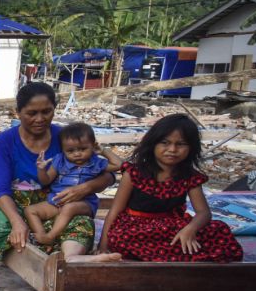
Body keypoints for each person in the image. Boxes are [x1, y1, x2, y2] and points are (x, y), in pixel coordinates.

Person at [0, 82, 117, 291]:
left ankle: (69, 262)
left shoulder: (66, 138)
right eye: (32, 113)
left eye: (46, 111)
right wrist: (17, 221)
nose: (40, 119)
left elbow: (107, 175)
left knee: (81, 224)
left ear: (54, 108)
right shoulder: (6, 141)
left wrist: (85, 187)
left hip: (57, 201)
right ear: (18, 112)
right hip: (16, 200)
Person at [98, 113, 243, 263]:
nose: (172, 149)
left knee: (219, 231)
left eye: (180, 144)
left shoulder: (190, 176)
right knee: (121, 237)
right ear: (153, 144)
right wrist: (103, 246)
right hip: (136, 230)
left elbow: (204, 213)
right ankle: (174, 256)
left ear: (191, 148)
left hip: (173, 229)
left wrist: (190, 229)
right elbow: (115, 211)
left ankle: (165, 256)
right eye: (165, 143)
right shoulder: (134, 173)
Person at [24, 122, 121, 245]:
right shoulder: (59, 160)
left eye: (82, 149)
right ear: (63, 150)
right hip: (57, 202)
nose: (77, 154)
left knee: (69, 208)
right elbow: (46, 180)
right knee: (30, 210)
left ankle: (51, 236)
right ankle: (42, 237)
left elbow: (119, 165)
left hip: (83, 204)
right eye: (70, 150)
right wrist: (41, 169)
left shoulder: (95, 163)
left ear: (93, 146)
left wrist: (103, 151)